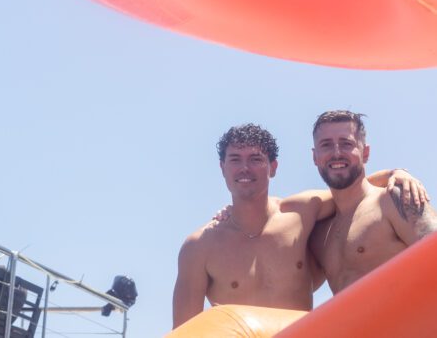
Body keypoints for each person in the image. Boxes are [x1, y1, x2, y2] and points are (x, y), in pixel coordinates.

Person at [171, 123, 425, 328]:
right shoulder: (199, 247)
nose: (245, 168)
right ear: (222, 168)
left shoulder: (303, 211)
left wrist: (395, 174)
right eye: (235, 159)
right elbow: (184, 331)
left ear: (273, 167)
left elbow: (352, 188)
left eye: (256, 159)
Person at [308, 110, 437, 294]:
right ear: (315, 157)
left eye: (346, 144)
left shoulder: (394, 200)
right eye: (326, 145)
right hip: (351, 323)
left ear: (365, 152)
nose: (336, 153)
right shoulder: (320, 234)